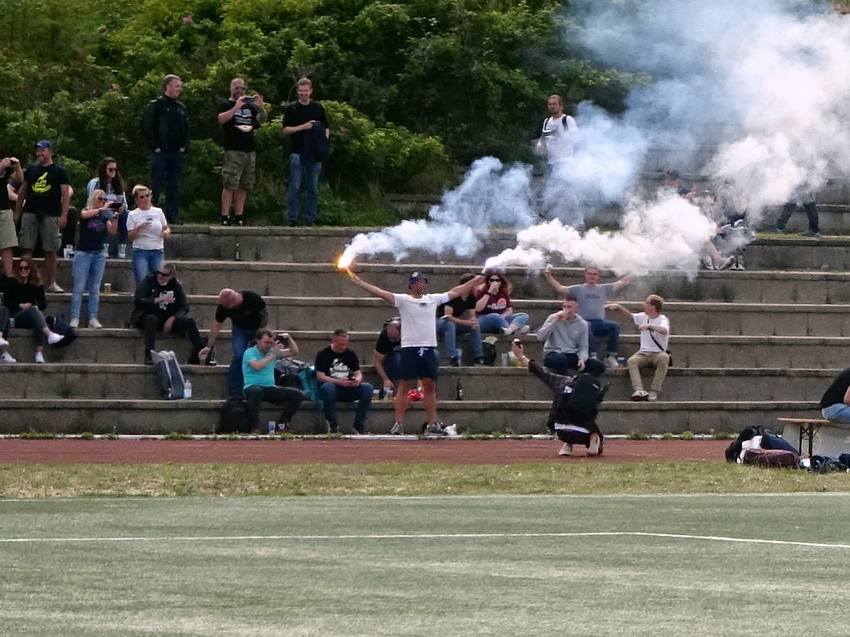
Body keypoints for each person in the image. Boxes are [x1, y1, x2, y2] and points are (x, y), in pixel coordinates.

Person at [345, 268, 484, 436]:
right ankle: (398, 423)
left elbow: (454, 292)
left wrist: (472, 282)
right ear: (411, 285)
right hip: (410, 348)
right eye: (417, 282)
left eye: (423, 282)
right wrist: (360, 282)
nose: (420, 284)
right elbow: (382, 293)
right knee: (404, 385)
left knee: (430, 386)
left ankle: (432, 423)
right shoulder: (404, 300)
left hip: (428, 347)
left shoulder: (432, 299)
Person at [511, 340, 605, 457]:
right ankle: (594, 438)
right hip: (583, 433)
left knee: (566, 411)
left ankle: (568, 444)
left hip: (561, 430)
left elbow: (540, 372)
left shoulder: (564, 381)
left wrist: (520, 356)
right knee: (586, 419)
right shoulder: (595, 391)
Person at [542, 266, 632, 367]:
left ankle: (610, 356)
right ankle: (592, 356)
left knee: (614, 326)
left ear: (598, 276)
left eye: (595, 274)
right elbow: (561, 288)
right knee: (586, 325)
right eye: (589, 273)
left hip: (599, 323)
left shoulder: (604, 288)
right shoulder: (577, 289)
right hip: (582, 323)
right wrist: (549, 277)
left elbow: (622, 282)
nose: (592, 276)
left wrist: (635, 272)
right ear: (585, 275)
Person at [14, 140, 70, 292]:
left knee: (50, 249)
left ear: (50, 152)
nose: (39, 153)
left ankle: (52, 282)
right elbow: (22, 191)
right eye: (38, 150)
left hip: (50, 214)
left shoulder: (59, 172)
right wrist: (17, 212)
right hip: (30, 212)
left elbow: (65, 195)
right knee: (27, 248)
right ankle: (24, 281)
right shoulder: (31, 170)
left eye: (43, 150)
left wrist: (64, 215)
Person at [130, 262, 203, 366]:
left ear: (171, 276)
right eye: (159, 273)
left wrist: (173, 318)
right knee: (151, 319)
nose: (160, 276)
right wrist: (156, 300)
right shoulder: (149, 281)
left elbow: (185, 306)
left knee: (190, 322)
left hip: (167, 318)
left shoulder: (176, 285)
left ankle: (198, 354)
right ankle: (149, 355)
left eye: (164, 275)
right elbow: (138, 300)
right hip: (147, 316)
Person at [218, 77, 267, 227]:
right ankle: (225, 215)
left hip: (249, 150)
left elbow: (262, 119)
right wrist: (236, 107)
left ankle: (239, 215)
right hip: (233, 150)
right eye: (237, 87)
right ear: (231, 88)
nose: (240, 90)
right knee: (229, 184)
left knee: (244, 185)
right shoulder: (225, 104)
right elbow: (221, 119)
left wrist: (260, 107)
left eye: (242, 88)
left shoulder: (250, 107)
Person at [199, 288, 267, 396]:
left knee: (258, 357)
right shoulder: (223, 307)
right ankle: (235, 389)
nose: (225, 307)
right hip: (239, 329)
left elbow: (264, 315)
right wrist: (208, 346)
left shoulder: (252, 298)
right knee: (239, 356)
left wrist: (260, 334)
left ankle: (260, 386)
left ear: (233, 301)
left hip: (256, 329)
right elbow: (216, 325)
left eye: (226, 305)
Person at [141, 74, 189, 223]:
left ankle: (172, 215)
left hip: (176, 152)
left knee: (173, 185)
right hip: (161, 152)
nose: (179, 89)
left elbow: (187, 129)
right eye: (177, 86)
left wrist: (184, 146)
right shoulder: (157, 105)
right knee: (156, 183)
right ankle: (151, 214)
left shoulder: (181, 108)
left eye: (180, 86)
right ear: (168, 86)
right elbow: (146, 125)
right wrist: (154, 146)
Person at [282, 77, 330, 227]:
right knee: (295, 187)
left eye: (306, 91)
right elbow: (285, 129)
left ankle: (310, 218)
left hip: (314, 154)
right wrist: (303, 127)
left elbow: (326, 126)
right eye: (301, 91)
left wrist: (323, 142)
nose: (304, 93)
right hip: (297, 151)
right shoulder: (292, 108)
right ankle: (293, 218)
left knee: (312, 188)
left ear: (311, 91)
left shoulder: (318, 108)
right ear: (297, 92)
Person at [69, 189, 118, 329]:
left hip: (99, 254)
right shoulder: (86, 210)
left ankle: (93, 317)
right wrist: (102, 209)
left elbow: (113, 231)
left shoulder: (105, 216)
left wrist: (115, 216)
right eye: (100, 199)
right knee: (79, 287)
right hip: (83, 253)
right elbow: (84, 215)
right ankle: (75, 317)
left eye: (104, 199)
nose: (102, 202)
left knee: (95, 288)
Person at [606, 295, 670, 401]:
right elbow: (630, 315)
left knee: (664, 358)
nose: (644, 305)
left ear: (653, 306)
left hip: (658, 353)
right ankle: (639, 390)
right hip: (643, 353)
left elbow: (664, 330)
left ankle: (654, 391)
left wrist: (649, 326)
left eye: (647, 303)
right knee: (632, 361)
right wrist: (619, 307)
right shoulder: (643, 317)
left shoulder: (662, 319)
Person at [0, 257, 64, 362]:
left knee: (36, 313)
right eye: (20, 268)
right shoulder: (12, 282)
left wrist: (32, 306)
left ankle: (39, 353)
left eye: (26, 268)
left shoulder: (36, 284)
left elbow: (43, 304)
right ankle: (49, 334)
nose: (23, 270)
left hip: (29, 315)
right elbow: (7, 302)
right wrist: (20, 305)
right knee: (8, 311)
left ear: (31, 269)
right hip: (14, 315)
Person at [243, 328, 305, 433]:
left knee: (298, 395)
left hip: (269, 388)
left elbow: (294, 351)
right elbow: (257, 366)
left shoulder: (273, 352)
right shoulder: (249, 352)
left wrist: (288, 338)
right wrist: (273, 355)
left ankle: (283, 423)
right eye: (266, 342)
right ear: (258, 341)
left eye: (270, 343)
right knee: (256, 391)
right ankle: (254, 426)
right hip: (252, 387)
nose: (268, 345)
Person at [314, 329, 373, 434]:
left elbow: (358, 372)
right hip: (333, 388)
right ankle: (333, 425)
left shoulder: (350, 354)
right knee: (327, 388)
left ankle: (359, 425)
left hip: (348, 388)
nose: (343, 347)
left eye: (346, 344)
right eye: (341, 344)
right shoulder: (323, 354)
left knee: (367, 388)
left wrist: (357, 380)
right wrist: (338, 382)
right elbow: (320, 376)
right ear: (334, 341)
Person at [535, 95, 580, 225]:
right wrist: (540, 145)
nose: (552, 106)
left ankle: (543, 214)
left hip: (565, 161)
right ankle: (578, 219)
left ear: (561, 106)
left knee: (553, 188)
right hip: (552, 161)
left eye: (555, 104)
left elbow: (576, 137)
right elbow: (544, 137)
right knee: (567, 191)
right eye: (550, 104)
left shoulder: (567, 120)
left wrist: (563, 138)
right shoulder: (547, 121)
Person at [126, 184, 171, 286]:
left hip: (157, 250)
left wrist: (165, 232)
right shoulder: (133, 215)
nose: (145, 199)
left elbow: (166, 228)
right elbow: (130, 237)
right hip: (140, 251)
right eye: (142, 197)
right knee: (142, 282)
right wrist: (139, 228)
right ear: (137, 200)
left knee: (160, 281)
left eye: (147, 196)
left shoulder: (158, 212)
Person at [437, 273, 485, 365]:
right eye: (476, 286)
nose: (479, 288)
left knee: (475, 325)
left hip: (454, 323)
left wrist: (472, 322)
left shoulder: (471, 297)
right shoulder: (453, 296)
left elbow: (472, 316)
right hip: (440, 322)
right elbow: (447, 317)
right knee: (450, 325)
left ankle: (478, 356)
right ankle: (452, 357)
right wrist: (466, 323)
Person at [537, 293, 590, 375]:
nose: (566, 309)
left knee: (598, 366)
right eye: (564, 306)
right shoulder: (553, 318)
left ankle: (582, 382)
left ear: (576, 308)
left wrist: (582, 359)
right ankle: (564, 382)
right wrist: (554, 322)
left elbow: (583, 346)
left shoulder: (582, 324)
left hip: (571, 354)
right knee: (561, 359)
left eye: (569, 307)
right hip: (552, 353)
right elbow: (540, 337)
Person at [87, 157, 129, 258]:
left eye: (115, 169)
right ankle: (104, 244)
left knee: (127, 215)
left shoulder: (118, 184)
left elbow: (124, 202)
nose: (113, 172)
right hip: (101, 209)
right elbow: (92, 200)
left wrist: (121, 207)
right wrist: (105, 206)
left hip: (116, 209)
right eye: (110, 169)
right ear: (104, 170)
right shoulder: (96, 183)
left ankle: (122, 245)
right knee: (108, 214)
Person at [475, 270, 530, 337]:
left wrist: (501, 317)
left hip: (500, 321)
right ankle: (516, 329)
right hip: (483, 320)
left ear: (500, 282)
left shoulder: (503, 293)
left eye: (497, 280)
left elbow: (509, 310)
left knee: (523, 315)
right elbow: (478, 309)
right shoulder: (481, 292)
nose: (494, 282)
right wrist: (489, 292)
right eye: (492, 280)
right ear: (488, 281)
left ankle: (509, 330)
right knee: (494, 316)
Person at [0, 152, 23, 277]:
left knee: (7, 246)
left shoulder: (3, 164)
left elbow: (19, 180)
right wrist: (1, 167)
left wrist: (17, 167)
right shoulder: (2, 165)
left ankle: (9, 278)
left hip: (4, 210)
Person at [373, 317, 401, 398]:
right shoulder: (383, 339)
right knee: (395, 360)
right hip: (392, 357)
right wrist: (386, 379)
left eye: (395, 339)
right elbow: (377, 362)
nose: (392, 341)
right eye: (390, 339)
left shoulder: (410, 333)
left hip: (408, 352)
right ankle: (391, 391)